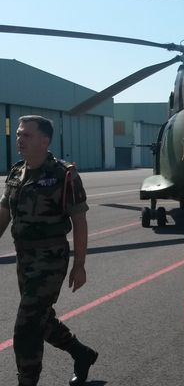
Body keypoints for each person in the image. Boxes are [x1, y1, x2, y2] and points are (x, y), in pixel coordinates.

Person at [0, 115, 97, 386]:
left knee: (26, 325)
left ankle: (26, 382)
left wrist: (80, 264)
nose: (19, 139)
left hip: (50, 259)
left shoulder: (63, 175)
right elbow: (4, 212)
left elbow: (79, 221)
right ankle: (82, 353)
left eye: (26, 135)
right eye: (18, 134)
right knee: (41, 319)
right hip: (25, 258)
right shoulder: (17, 171)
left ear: (44, 141)